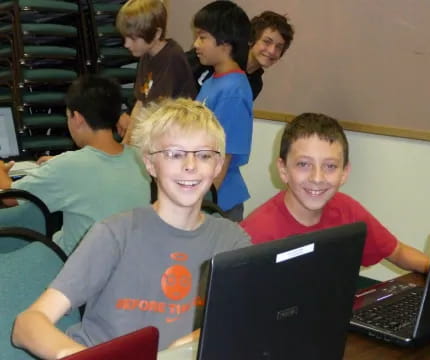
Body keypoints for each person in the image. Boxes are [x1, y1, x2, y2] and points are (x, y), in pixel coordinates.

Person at [11, 98, 251, 359]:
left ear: (217, 166)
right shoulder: (115, 234)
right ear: (149, 164)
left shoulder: (232, 242)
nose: (190, 166)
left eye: (204, 155)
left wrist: (195, 340)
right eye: (174, 154)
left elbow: (248, 319)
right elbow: (27, 324)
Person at [241, 113, 430, 273]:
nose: (317, 177)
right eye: (304, 164)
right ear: (283, 170)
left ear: (344, 173)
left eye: (330, 166)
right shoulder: (254, 235)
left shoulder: (347, 210)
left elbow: (397, 252)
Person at [0, 75, 151, 255]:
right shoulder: (138, 158)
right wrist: (62, 162)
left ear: (77, 118)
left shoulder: (68, 167)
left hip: (78, 269)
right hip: (127, 262)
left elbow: (10, 196)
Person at [193, 1, 253, 221]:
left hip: (219, 204)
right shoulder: (213, 81)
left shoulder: (234, 91)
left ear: (225, 44)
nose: (196, 44)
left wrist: (205, 205)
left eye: (202, 37)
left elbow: (223, 156)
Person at [116, 0, 196, 143]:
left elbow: (157, 111)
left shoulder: (172, 57)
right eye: (125, 37)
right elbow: (141, 102)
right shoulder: (146, 54)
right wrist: (126, 144)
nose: (126, 44)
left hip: (176, 137)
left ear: (156, 34)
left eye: (133, 38)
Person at [186, 10, 294, 100]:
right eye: (267, 41)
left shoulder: (255, 84)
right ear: (251, 39)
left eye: (279, 47)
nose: (272, 51)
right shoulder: (221, 53)